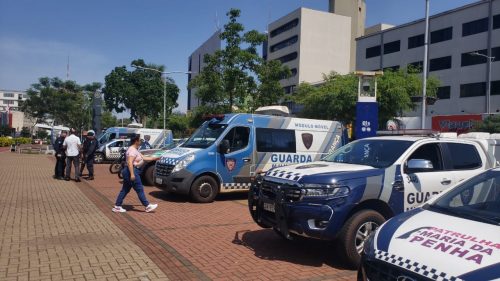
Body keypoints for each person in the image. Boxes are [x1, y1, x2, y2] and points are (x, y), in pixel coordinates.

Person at [112, 134, 159, 213]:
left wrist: (155, 158)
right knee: (139, 189)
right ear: (136, 141)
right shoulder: (132, 150)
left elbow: (144, 158)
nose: (141, 141)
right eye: (139, 140)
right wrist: (132, 174)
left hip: (129, 171)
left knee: (125, 190)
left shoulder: (135, 149)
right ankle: (147, 206)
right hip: (132, 170)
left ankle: (117, 206)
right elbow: (130, 162)